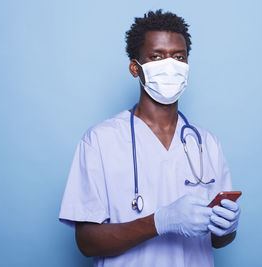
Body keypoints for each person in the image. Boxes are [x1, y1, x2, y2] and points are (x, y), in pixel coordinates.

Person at [59, 9, 241, 267]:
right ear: (136, 68)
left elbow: (217, 240)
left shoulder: (206, 143)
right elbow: (86, 242)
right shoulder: (100, 141)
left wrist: (228, 229)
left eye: (179, 57)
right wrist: (160, 221)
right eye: (156, 56)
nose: (170, 66)